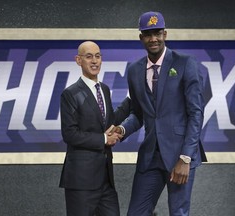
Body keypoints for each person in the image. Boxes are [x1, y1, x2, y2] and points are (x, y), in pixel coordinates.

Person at [115, 11, 207, 216]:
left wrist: (185, 158)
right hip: (150, 156)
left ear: (165, 34)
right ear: (141, 38)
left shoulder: (185, 63)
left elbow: (195, 113)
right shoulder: (134, 70)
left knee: (178, 213)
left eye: (157, 33)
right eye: (148, 34)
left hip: (179, 156)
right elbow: (138, 113)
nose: (153, 38)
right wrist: (122, 130)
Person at [59, 41, 131, 216]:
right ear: (78, 60)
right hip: (81, 182)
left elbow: (110, 121)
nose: (94, 61)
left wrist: (132, 98)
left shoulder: (104, 89)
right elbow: (70, 134)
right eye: (89, 56)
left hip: (106, 181)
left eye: (97, 56)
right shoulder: (71, 93)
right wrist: (104, 139)